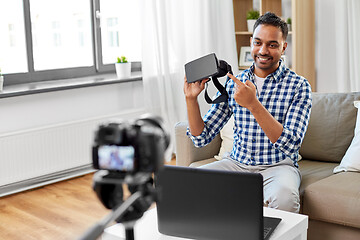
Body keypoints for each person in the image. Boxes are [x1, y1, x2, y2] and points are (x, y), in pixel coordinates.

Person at [183, 12, 312, 213]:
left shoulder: (299, 86)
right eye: (258, 42)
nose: (263, 50)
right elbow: (202, 137)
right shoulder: (235, 81)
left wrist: (253, 104)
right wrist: (191, 100)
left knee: (285, 198)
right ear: (251, 42)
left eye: (272, 44)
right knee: (189, 182)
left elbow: (291, 143)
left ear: (283, 47)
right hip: (236, 164)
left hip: (278, 167)